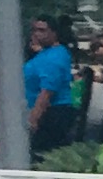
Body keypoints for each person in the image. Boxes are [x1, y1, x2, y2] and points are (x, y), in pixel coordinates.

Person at [23, 17, 76, 155]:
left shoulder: (55, 56)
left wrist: (33, 119)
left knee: (41, 154)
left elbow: (47, 91)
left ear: (54, 33)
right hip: (41, 110)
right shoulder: (43, 53)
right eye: (34, 30)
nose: (36, 34)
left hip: (52, 113)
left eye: (42, 30)